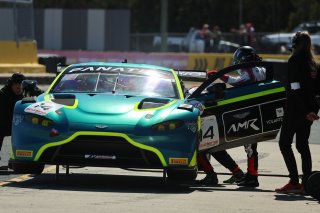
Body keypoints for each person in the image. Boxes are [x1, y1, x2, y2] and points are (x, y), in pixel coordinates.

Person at [206, 46, 266, 187]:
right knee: (250, 146)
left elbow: (239, 82)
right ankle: (248, 175)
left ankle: (252, 177)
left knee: (249, 146)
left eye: (238, 59)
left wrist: (221, 75)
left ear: (243, 59)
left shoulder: (250, 71)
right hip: (257, 109)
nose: (236, 62)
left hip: (249, 111)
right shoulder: (260, 69)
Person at [275, 31, 319, 194]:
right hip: (308, 113)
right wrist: (313, 111)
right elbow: (317, 92)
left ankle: (294, 181)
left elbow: (294, 88)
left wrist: (305, 110)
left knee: (284, 143)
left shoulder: (295, 60)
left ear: (295, 44)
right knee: (302, 145)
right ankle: (307, 183)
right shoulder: (313, 64)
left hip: (295, 110)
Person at [0, 73, 25, 165]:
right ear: (11, 85)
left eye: (21, 87)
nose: (19, 90)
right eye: (17, 87)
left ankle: (15, 160)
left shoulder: (24, 92)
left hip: (16, 122)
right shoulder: (3, 94)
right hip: (3, 121)